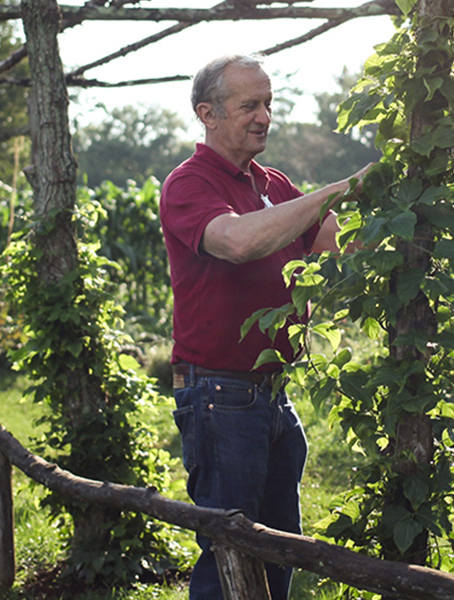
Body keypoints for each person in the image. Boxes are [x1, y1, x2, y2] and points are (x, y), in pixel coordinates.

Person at [159, 54, 371, 600]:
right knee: (230, 553)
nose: (264, 116)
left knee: (279, 545)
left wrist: (397, 200)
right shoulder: (188, 184)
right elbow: (238, 241)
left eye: (269, 103)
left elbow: (336, 245)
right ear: (207, 114)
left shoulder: (272, 182)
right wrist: (339, 188)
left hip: (272, 393)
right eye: (249, 105)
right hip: (220, 395)